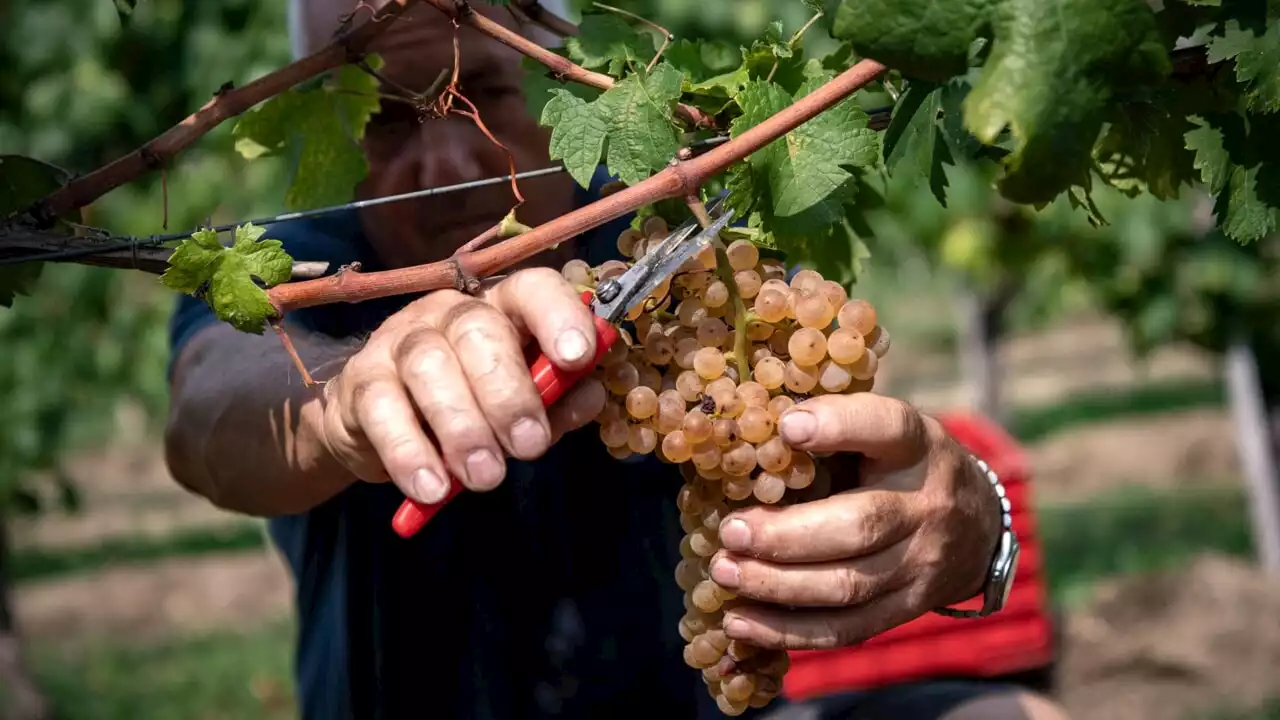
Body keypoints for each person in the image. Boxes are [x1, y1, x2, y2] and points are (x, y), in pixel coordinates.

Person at [163, 1, 1071, 718]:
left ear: (558, 73)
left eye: (479, 90)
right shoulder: (303, 275)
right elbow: (210, 413)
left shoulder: (687, 254)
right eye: (389, 122)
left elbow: (816, 441)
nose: (440, 157)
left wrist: (970, 527)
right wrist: (341, 406)